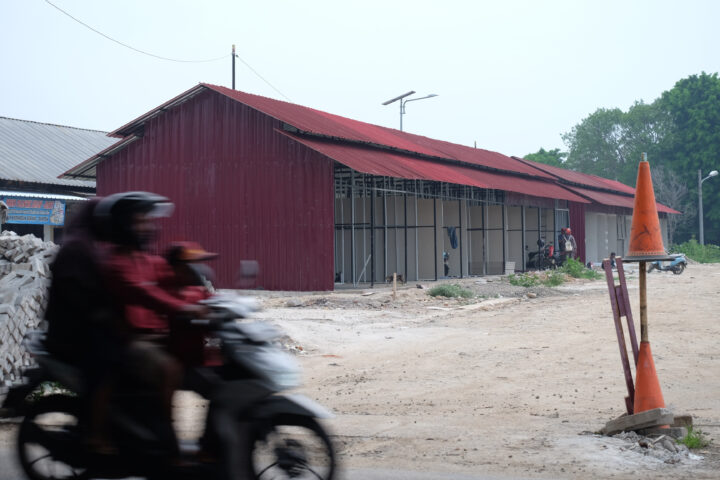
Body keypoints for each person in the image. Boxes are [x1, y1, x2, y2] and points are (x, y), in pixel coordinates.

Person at [93, 192, 207, 458]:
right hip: (129, 340)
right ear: (123, 225)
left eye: (148, 221)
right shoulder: (116, 263)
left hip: (154, 336)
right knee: (170, 368)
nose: (148, 227)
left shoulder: (147, 260)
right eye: (140, 221)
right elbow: (147, 295)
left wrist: (212, 300)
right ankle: (165, 436)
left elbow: (174, 279)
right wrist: (184, 307)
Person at [45, 198, 124, 453]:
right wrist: (103, 313)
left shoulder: (90, 246)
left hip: (84, 328)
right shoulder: (77, 248)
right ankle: (96, 434)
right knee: (108, 365)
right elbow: (79, 295)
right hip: (72, 334)